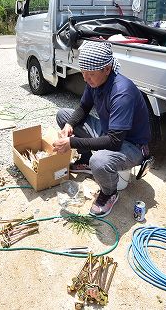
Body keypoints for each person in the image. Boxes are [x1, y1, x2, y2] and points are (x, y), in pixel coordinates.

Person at [53, 40, 151, 217]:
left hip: (131, 145)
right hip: (110, 132)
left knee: (99, 161)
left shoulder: (122, 91)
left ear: (107, 69)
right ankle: (86, 158)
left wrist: (71, 142)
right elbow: (83, 107)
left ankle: (109, 193)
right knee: (64, 115)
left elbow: (114, 142)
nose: (85, 78)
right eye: (82, 72)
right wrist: (69, 126)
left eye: (89, 73)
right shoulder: (95, 82)